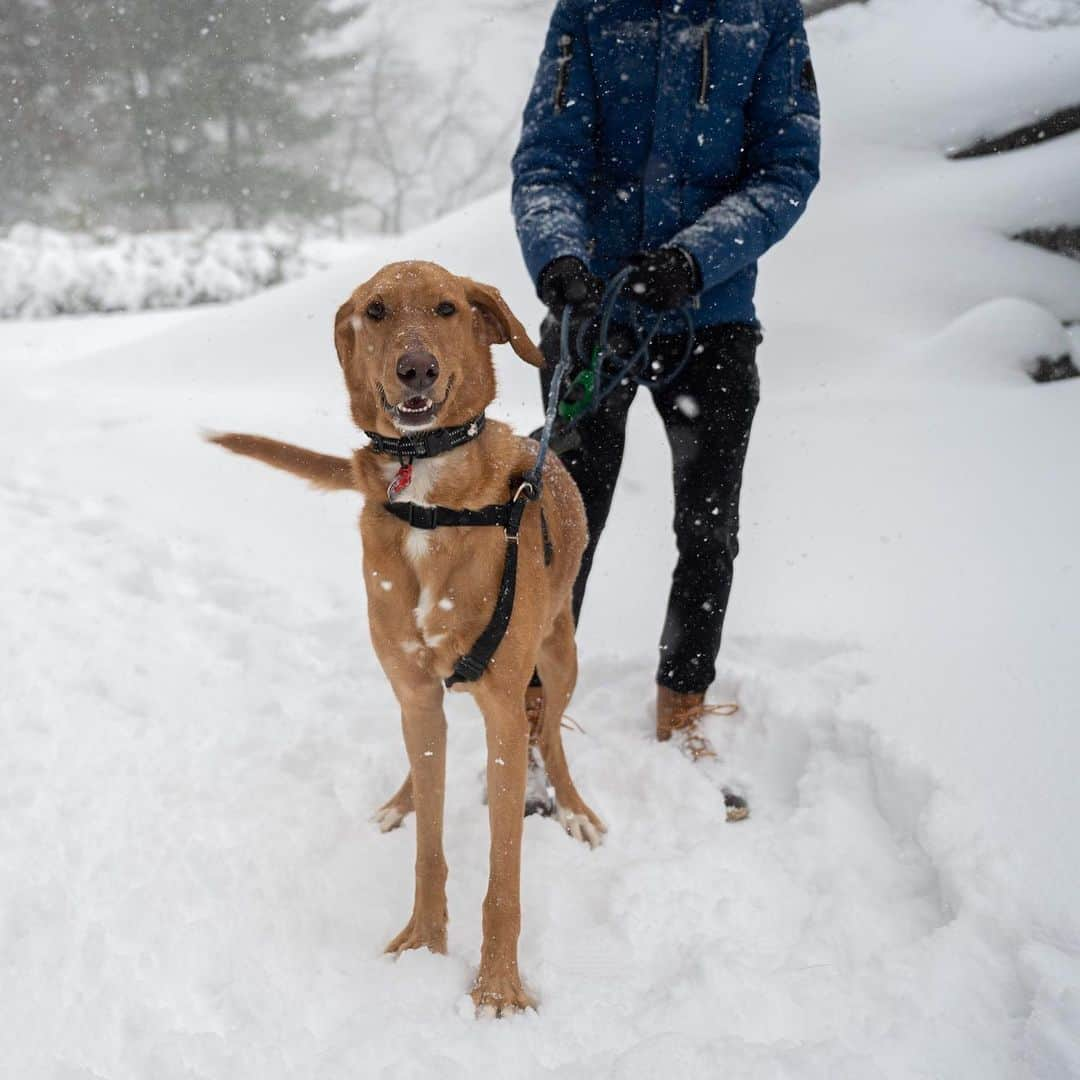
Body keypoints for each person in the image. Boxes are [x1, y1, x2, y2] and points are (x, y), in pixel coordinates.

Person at [511, 0, 821, 789]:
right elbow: (547, 162)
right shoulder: (588, 12)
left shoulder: (764, 17)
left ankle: (683, 704)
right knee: (555, 531)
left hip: (710, 317)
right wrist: (559, 263)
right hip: (593, 315)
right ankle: (532, 717)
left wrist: (693, 260)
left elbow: (787, 169)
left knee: (708, 528)